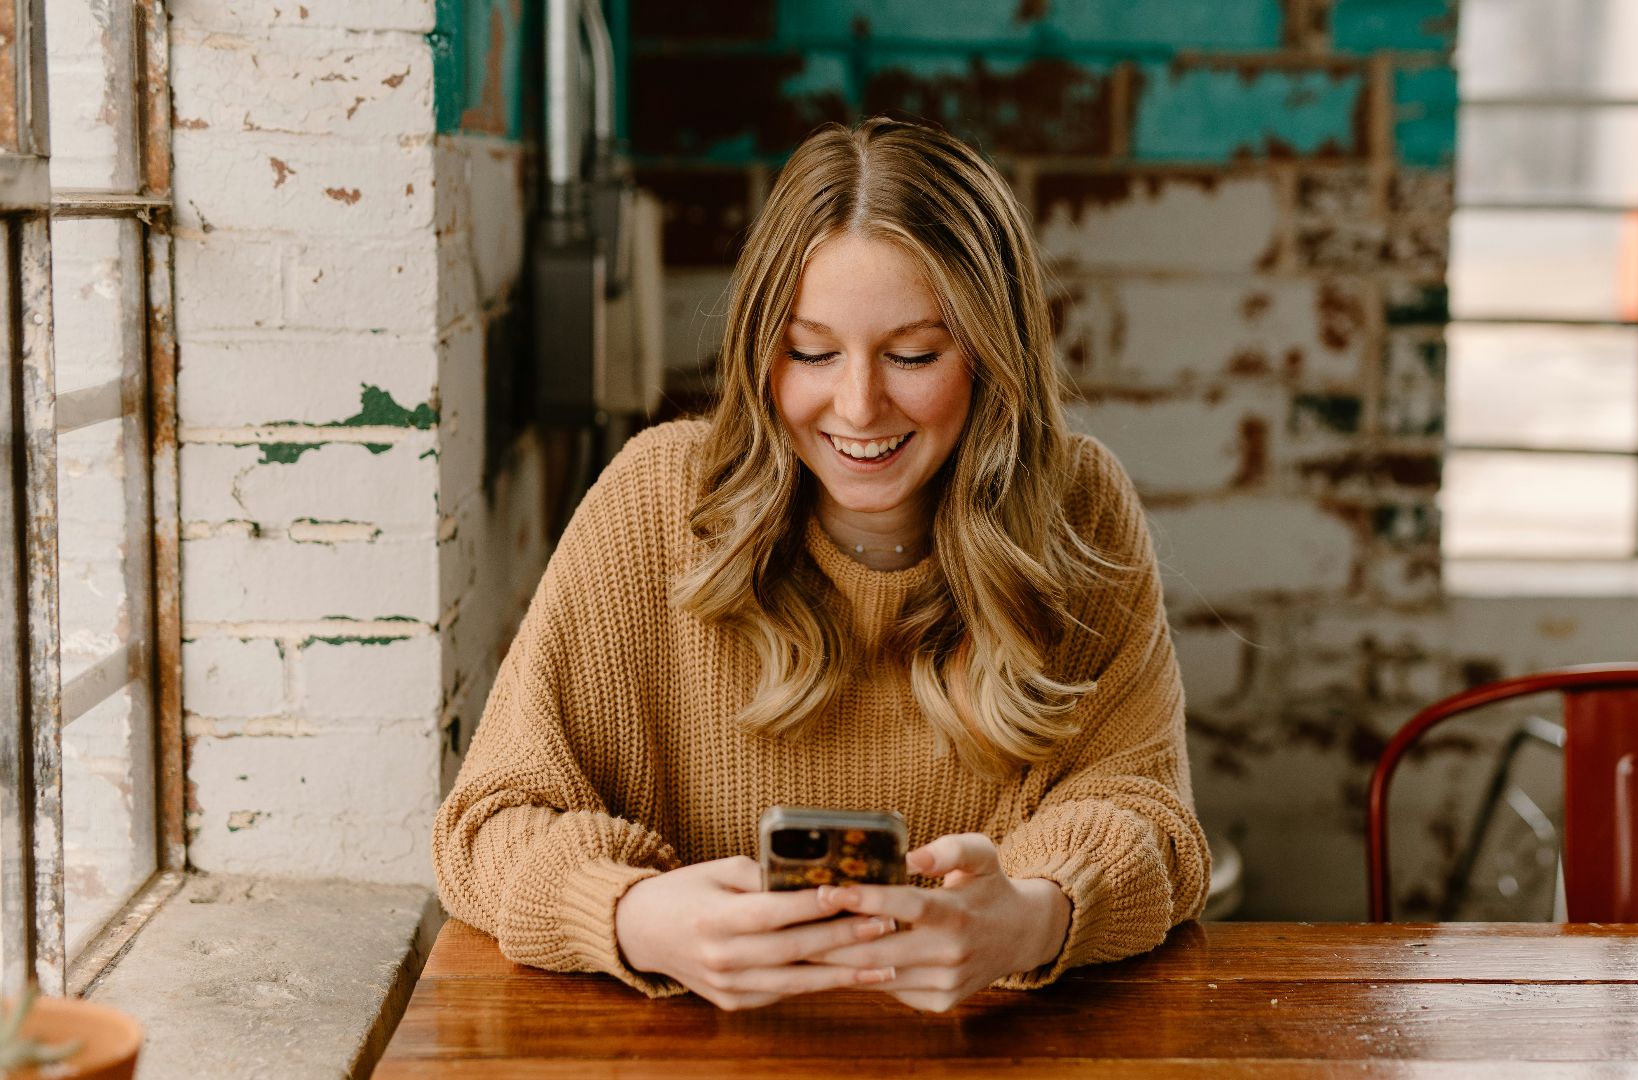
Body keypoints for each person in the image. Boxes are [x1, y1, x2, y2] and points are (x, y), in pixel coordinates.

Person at [432, 116, 1209, 1012]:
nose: (858, 405)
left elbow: (1153, 821)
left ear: (994, 360)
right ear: (762, 349)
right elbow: (487, 825)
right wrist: (635, 917)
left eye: (914, 354)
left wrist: (1032, 920)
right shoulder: (653, 501)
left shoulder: (1080, 508)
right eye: (811, 352)